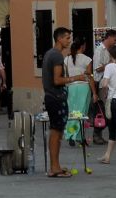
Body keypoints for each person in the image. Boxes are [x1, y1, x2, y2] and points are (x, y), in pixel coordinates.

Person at [42, 27, 82, 178]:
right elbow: (57, 80)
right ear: (59, 39)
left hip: (51, 97)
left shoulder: (49, 54)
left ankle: (55, 165)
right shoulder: (57, 56)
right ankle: (54, 167)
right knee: (56, 132)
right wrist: (76, 78)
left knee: (55, 132)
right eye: (66, 37)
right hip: (56, 98)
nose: (69, 40)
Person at [64, 38, 96, 146]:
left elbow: (67, 76)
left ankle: (71, 134)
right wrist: (94, 93)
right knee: (82, 113)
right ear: (82, 46)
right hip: (83, 88)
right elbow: (89, 77)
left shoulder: (67, 59)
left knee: (73, 112)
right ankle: (79, 136)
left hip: (72, 87)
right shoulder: (87, 59)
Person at [92, 29, 116, 144]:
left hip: (108, 84)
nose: (115, 42)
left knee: (108, 109)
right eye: (115, 39)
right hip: (101, 84)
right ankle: (96, 133)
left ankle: (100, 134)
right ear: (109, 37)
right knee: (103, 110)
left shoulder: (109, 50)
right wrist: (111, 64)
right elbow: (97, 68)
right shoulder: (100, 50)